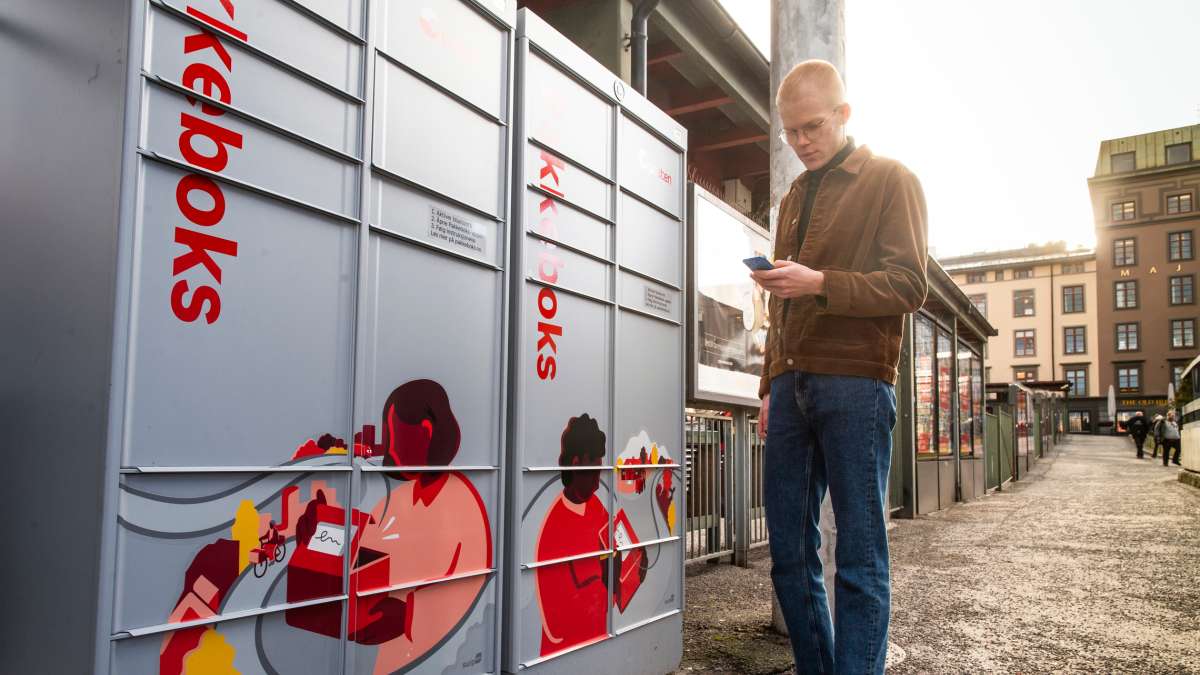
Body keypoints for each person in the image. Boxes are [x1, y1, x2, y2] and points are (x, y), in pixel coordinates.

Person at [750, 59, 928, 674]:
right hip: (790, 383)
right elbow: (781, 303)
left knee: (859, 553)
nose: (801, 141)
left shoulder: (891, 179)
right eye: (790, 131)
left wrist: (820, 282)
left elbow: (909, 286)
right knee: (787, 554)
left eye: (813, 127)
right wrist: (768, 385)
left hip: (857, 384)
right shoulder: (794, 196)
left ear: (844, 114)